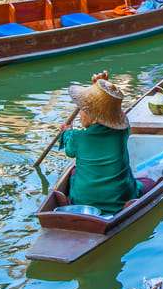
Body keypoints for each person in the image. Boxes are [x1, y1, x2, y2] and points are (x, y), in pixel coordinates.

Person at [59, 72, 142, 214]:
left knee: (73, 172)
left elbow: (69, 150)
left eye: (84, 111)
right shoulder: (122, 132)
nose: (80, 114)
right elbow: (115, 113)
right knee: (144, 184)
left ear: (93, 116)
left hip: (83, 201)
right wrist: (101, 90)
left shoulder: (76, 137)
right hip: (120, 198)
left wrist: (66, 132)